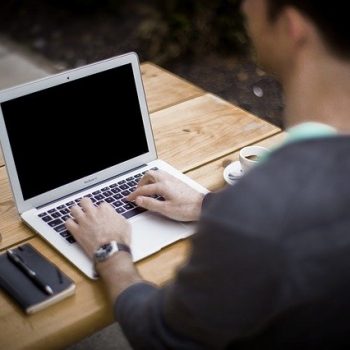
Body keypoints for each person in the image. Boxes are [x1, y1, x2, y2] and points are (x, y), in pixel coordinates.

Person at [66, 0, 350, 348]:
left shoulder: (263, 207)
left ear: (292, 26)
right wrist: (206, 204)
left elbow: (160, 337)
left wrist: (111, 251)